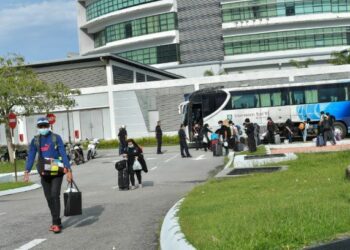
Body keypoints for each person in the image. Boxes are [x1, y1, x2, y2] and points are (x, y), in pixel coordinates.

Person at [24, 117, 72, 234]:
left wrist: (69, 169)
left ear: (49, 125)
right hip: (44, 173)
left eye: (45, 125)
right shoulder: (35, 140)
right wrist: (27, 171)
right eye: (41, 126)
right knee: (49, 197)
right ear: (38, 128)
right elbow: (31, 155)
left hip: (57, 171)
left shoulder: (56, 138)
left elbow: (63, 153)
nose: (43, 128)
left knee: (55, 195)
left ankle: (55, 223)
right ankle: (57, 220)